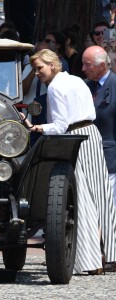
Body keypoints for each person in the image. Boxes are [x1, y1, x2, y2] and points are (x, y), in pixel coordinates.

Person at [21, 49, 116, 275]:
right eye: (35, 69)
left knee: (81, 200)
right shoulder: (77, 81)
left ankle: (90, 262)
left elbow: (60, 126)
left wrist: (35, 127)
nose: (36, 73)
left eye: (39, 68)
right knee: (103, 198)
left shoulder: (55, 88)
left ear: (52, 65)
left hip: (75, 138)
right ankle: (111, 254)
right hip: (92, 135)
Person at [82, 46, 116, 209]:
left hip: (110, 161)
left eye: (88, 64)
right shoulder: (85, 86)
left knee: (108, 209)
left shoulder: (115, 85)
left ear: (102, 65)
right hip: (88, 158)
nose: (83, 69)